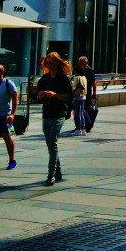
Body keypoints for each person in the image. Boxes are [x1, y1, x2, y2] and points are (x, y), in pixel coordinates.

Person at [35, 51, 72, 185]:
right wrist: (40, 95)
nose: (48, 65)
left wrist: (55, 95)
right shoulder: (44, 79)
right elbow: (37, 96)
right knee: (50, 145)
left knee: (52, 141)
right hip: (47, 113)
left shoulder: (64, 78)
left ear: (57, 63)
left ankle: (51, 175)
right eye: (47, 63)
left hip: (59, 113)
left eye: (51, 62)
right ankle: (58, 172)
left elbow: (68, 97)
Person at [77, 55, 97, 131]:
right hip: (81, 93)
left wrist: (94, 93)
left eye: (80, 63)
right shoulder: (80, 70)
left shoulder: (89, 70)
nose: (79, 64)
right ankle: (81, 125)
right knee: (81, 110)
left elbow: (94, 82)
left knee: (86, 109)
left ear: (85, 63)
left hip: (87, 93)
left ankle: (87, 125)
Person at [71, 62, 89, 135]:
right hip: (83, 96)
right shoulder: (84, 78)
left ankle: (78, 129)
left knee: (78, 113)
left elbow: (74, 87)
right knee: (81, 113)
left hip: (77, 97)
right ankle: (83, 129)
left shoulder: (77, 78)